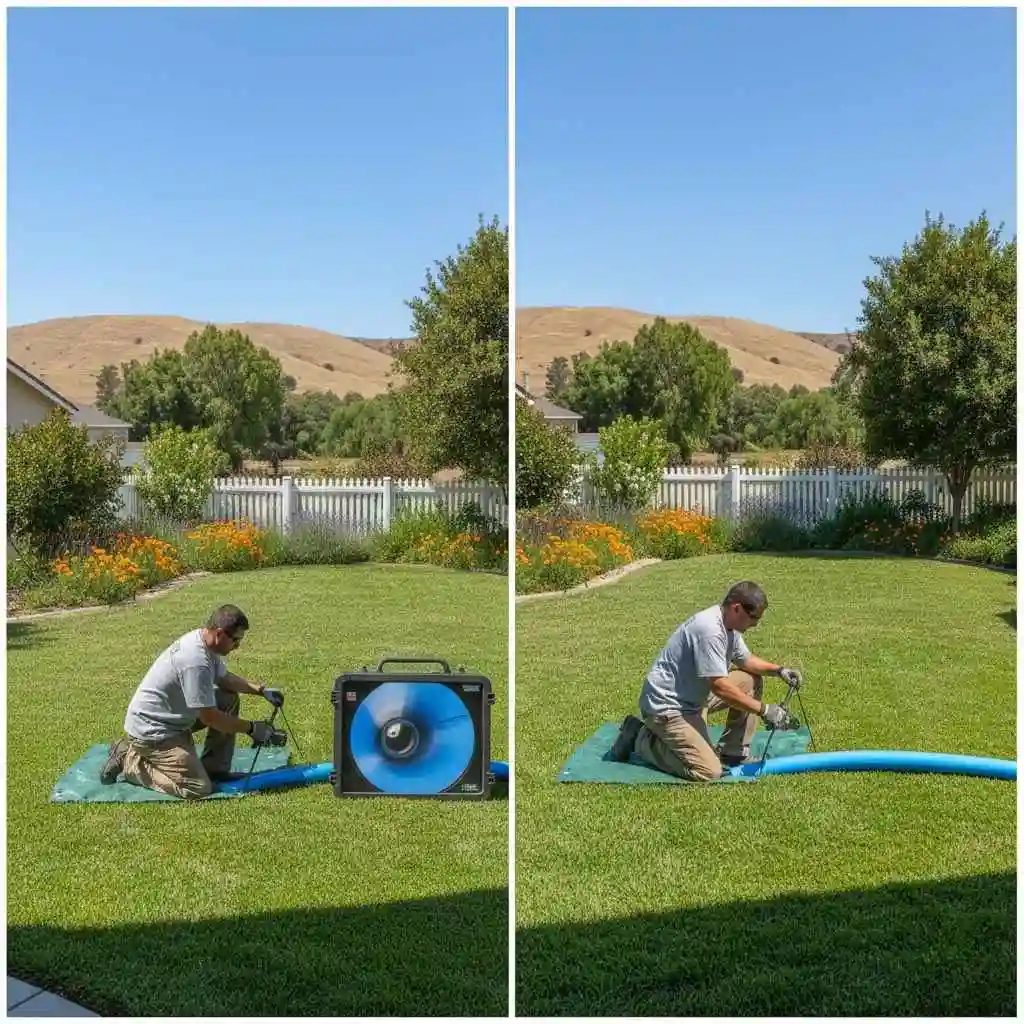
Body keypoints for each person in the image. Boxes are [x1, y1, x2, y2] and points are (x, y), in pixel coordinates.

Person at [609, 580, 802, 782]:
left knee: (750, 680)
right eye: (754, 618)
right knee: (709, 771)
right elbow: (719, 687)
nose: (755, 624)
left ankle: (733, 751)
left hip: (693, 697)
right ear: (737, 608)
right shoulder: (709, 630)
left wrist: (779, 670)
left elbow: (746, 660)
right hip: (668, 708)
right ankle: (640, 738)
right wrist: (764, 710)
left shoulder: (729, 627)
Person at [100, 604, 288, 799]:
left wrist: (261, 691)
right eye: (235, 640)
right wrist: (252, 729)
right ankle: (128, 760)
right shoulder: (195, 662)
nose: (237, 646)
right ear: (220, 634)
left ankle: (215, 769)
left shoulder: (204, 641)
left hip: (172, 717)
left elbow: (224, 679)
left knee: (227, 698)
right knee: (197, 787)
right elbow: (210, 718)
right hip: (154, 732)